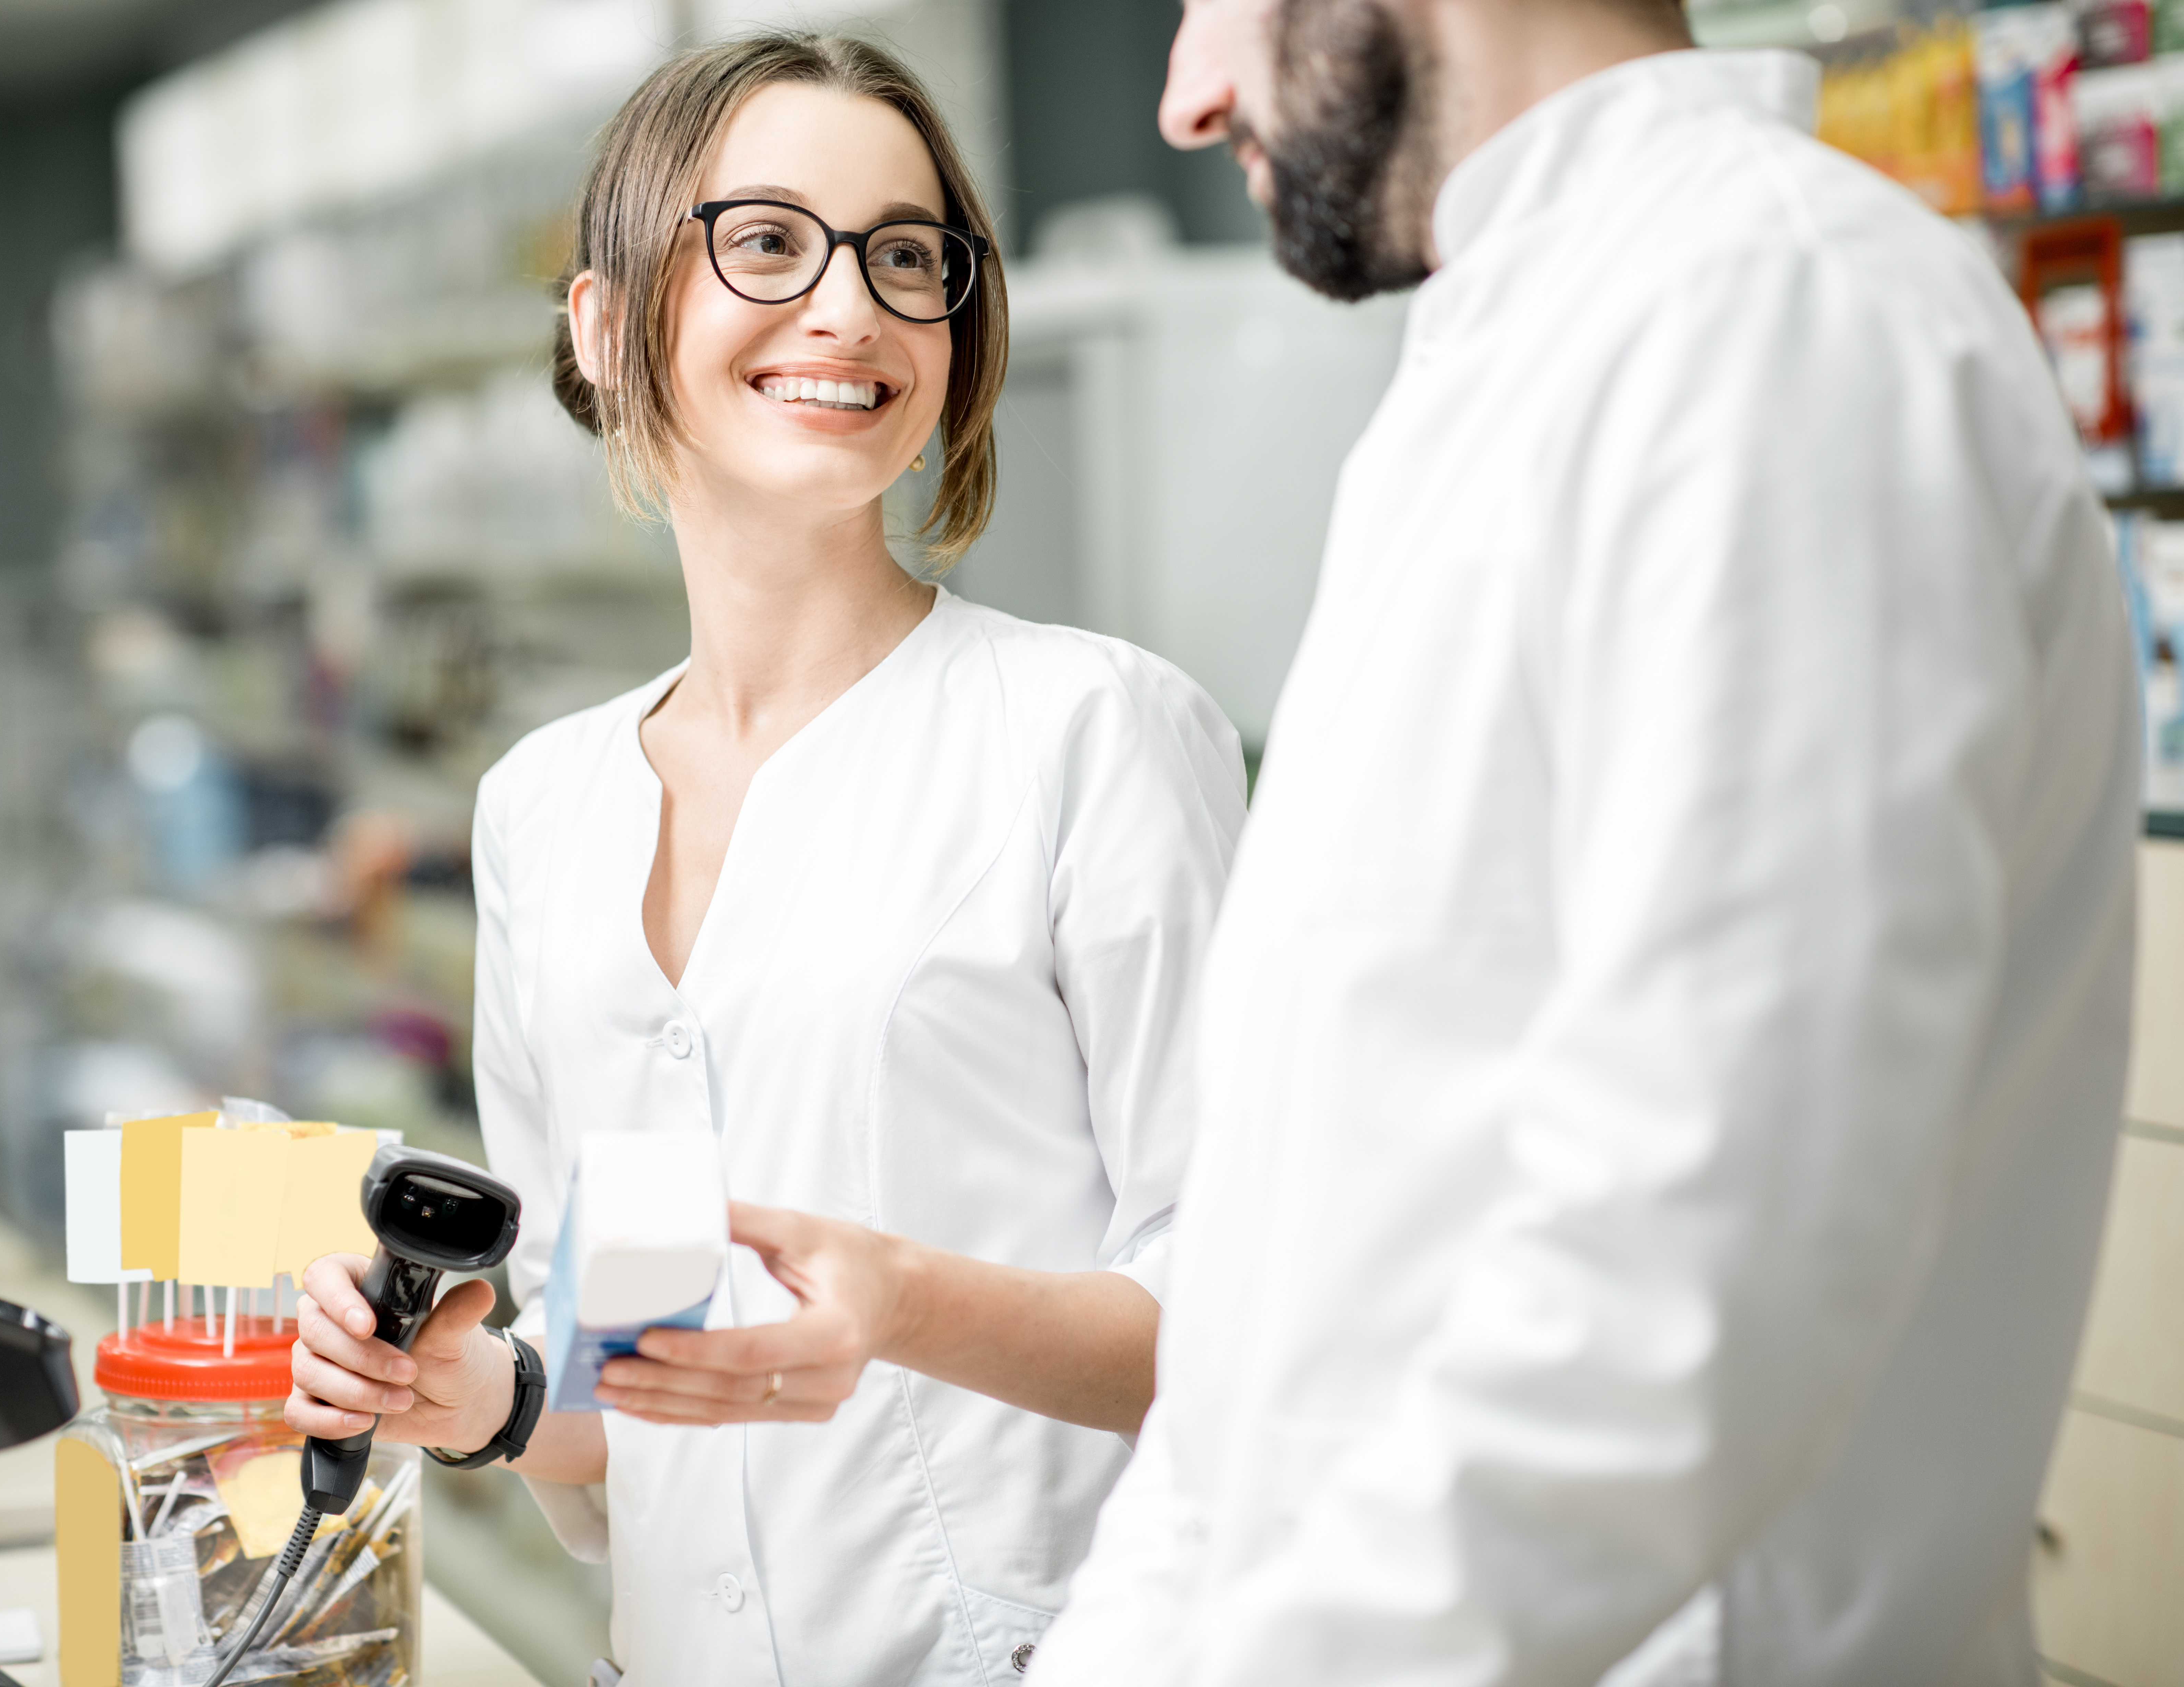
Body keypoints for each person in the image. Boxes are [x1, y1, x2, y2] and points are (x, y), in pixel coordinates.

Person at [1032, 3, 2138, 1684]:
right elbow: (1267, 1317)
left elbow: (1683, 1296)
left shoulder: (1773, 318)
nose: (1183, 101)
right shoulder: (1471, 383)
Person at [285, 32, 1249, 1684]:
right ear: (604, 324)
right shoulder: (544, 805)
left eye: (902, 254)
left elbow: (1260, 1326)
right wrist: (482, 1395)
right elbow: (633, 1378)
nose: (848, 307)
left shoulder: (1095, 730)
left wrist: (907, 1301)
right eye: (765, 240)